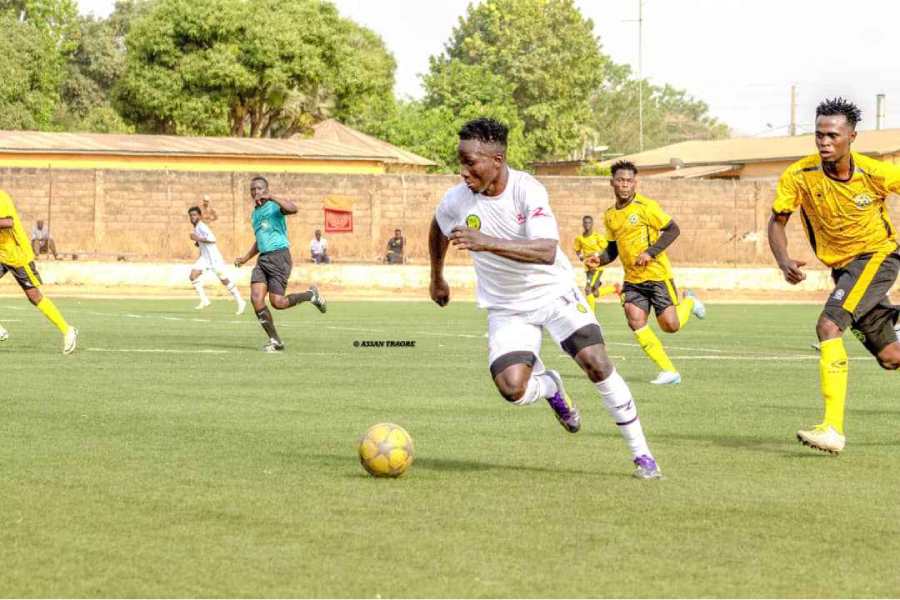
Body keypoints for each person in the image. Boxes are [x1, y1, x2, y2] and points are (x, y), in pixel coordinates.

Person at [429, 117, 661, 479]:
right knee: (512, 389)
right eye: (460, 162)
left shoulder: (527, 190)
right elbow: (438, 226)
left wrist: (486, 242)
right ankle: (551, 386)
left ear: (497, 160)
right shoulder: (457, 199)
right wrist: (437, 277)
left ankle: (642, 455)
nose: (463, 172)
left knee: (596, 362)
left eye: (470, 163)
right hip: (507, 306)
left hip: (554, 293)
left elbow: (546, 250)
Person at [768, 97, 900, 454]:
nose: (824, 142)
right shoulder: (800, 175)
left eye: (832, 135)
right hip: (843, 270)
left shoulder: (875, 173)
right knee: (891, 356)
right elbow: (777, 221)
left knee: (828, 326)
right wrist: (783, 260)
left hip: (878, 256)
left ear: (851, 137)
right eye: (819, 135)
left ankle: (832, 429)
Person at [594, 160, 706, 385]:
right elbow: (613, 250)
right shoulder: (610, 215)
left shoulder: (646, 206)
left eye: (629, 181)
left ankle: (689, 302)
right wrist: (599, 259)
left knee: (670, 326)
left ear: (635, 183)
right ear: (612, 182)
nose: (624, 185)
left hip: (657, 275)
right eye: (620, 180)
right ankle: (669, 371)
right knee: (634, 319)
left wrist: (650, 253)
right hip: (632, 279)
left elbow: (673, 229)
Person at [235, 176, 327, 352]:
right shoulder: (255, 214)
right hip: (263, 260)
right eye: (252, 189)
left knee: (278, 303)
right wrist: (246, 257)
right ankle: (275, 340)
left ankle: (310, 296)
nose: (255, 192)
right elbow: (260, 240)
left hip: (279, 257)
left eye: (259, 188)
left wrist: (272, 197)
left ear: (266, 189)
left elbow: (293, 209)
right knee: (256, 298)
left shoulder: (274, 206)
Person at [0, 190, 77, 354]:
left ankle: (67, 330)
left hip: (18, 255)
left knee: (34, 296)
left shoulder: (2, 197)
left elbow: (8, 222)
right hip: (2, 254)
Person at [187, 206, 245, 314]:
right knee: (193, 275)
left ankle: (240, 301)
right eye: (191, 215)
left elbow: (212, 239)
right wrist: (197, 242)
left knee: (224, 280)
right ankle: (205, 300)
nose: (192, 217)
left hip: (214, 259)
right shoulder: (196, 227)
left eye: (194, 215)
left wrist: (197, 238)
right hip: (205, 258)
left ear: (199, 216)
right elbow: (203, 241)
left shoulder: (202, 226)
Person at [573, 215, 619, 313]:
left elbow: (604, 248)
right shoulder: (579, 238)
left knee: (587, 289)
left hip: (597, 267)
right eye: (585, 223)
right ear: (583, 224)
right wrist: (580, 256)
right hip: (587, 267)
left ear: (592, 224)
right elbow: (577, 249)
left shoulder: (597, 236)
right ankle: (614, 288)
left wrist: (596, 255)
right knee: (595, 293)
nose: (587, 225)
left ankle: (591, 316)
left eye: (589, 223)